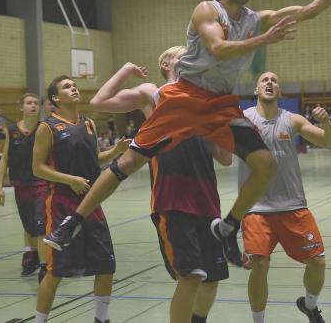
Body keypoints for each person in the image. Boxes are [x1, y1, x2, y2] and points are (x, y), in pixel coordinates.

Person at [45, 0, 331, 268]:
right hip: (185, 96)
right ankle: (73, 221)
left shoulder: (256, 19)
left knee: (266, 164)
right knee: (128, 162)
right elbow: (218, 48)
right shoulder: (207, 10)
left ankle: (228, 226)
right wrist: (265, 40)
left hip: (219, 104)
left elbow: (310, 10)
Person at [89, 47, 232, 323]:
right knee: (190, 275)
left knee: (212, 279)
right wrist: (126, 70)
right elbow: (99, 101)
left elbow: (225, 158)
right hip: (172, 199)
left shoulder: (203, 102)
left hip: (207, 201)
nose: (191, 58)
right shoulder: (153, 94)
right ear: (166, 64)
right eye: (183, 54)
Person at [240, 72, 331, 323]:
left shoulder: (292, 120)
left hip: (292, 205)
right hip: (256, 208)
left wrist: (326, 123)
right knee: (259, 265)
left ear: (279, 91)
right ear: (256, 90)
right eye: (264, 80)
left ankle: (310, 306)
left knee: (317, 262)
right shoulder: (242, 119)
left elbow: (330, 143)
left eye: (274, 80)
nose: (269, 82)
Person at [32, 75, 130, 323]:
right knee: (56, 271)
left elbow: (94, 159)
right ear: (56, 98)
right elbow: (38, 168)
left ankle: (102, 319)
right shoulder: (47, 127)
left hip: (91, 202)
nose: (73, 88)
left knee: (106, 266)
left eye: (74, 85)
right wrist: (69, 179)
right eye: (67, 87)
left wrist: (115, 151)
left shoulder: (89, 124)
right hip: (61, 204)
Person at [0, 93, 48, 278]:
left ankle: (45, 265)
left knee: (41, 225)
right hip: (20, 185)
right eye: (29, 103)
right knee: (29, 226)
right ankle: (32, 256)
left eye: (36, 103)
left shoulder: (44, 128)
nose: (33, 106)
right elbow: (5, 159)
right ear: (21, 107)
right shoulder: (12, 130)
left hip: (41, 183)